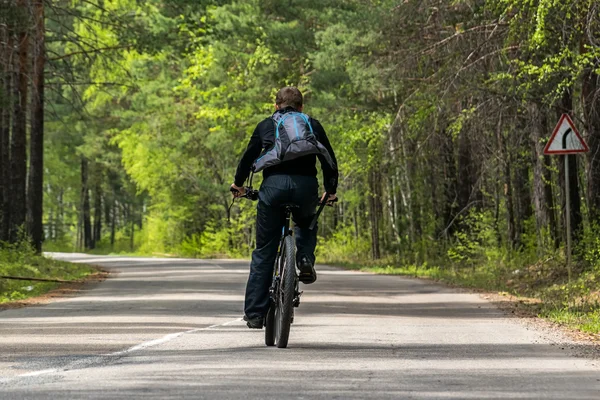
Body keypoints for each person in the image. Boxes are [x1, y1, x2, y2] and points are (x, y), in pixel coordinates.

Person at [231, 86, 338, 329]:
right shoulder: (312, 124)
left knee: (265, 250)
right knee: (306, 223)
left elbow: (248, 159)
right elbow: (329, 160)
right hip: (306, 188)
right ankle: (304, 259)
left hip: (273, 189)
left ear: (276, 105)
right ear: (301, 107)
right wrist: (330, 190)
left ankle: (256, 314)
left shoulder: (266, 125)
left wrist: (238, 185)